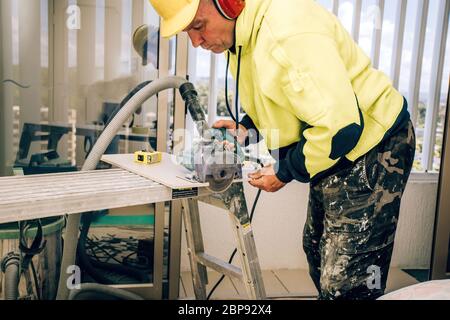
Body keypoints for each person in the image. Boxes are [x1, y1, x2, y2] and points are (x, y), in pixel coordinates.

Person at [148, 0, 416, 300]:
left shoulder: (286, 31)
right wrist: (246, 129)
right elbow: (282, 98)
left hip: (373, 145)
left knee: (346, 279)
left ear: (229, 4)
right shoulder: (246, 38)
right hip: (337, 146)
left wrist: (285, 170)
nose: (196, 42)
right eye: (188, 32)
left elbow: (341, 127)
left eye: (198, 26)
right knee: (316, 249)